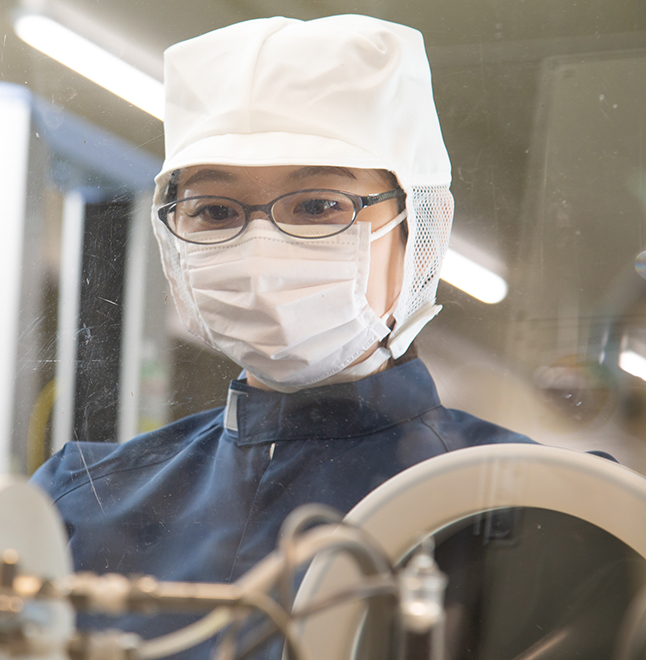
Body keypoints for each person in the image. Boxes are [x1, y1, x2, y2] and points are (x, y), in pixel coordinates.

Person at [32, 13, 530, 653]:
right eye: (214, 210)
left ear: (417, 229)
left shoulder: (538, 503)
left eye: (319, 205)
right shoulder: (81, 505)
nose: (261, 255)